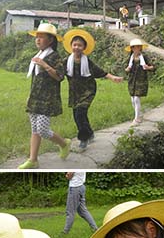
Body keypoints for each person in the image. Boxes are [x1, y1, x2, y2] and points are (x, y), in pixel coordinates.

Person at [19, 22, 70, 169]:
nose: (38, 39)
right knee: (34, 129)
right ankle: (33, 159)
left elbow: (60, 76)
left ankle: (64, 143)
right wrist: (30, 95)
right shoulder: (38, 56)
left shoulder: (54, 56)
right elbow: (36, 79)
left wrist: (45, 65)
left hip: (47, 99)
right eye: (37, 36)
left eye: (42, 37)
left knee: (42, 129)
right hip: (35, 97)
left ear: (51, 40)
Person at [62, 29, 122, 151]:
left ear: (84, 47)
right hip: (74, 93)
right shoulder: (66, 62)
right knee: (77, 115)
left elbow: (100, 71)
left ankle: (83, 139)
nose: (77, 47)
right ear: (71, 46)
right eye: (75, 45)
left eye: (80, 45)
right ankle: (89, 133)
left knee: (80, 113)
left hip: (88, 91)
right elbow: (58, 73)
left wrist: (112, 77)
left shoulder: (87, 62)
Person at [125, 37, 154, 125]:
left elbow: (153, 67)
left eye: (138, 47)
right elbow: (126, 69)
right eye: (134, 47)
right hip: (132, 81)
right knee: (133, 100)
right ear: (132, 48)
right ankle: (139, 115)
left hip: (141, 80)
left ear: (140, 48)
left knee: (137, 98)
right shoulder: (130, 58)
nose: (136, 49)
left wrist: (148, 67)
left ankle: (137, 118)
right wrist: (127, 69)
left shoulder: (144, 57)